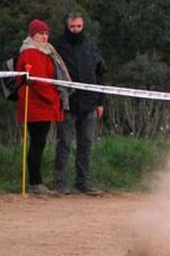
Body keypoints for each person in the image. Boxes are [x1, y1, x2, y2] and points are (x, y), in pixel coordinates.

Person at [50, 13, 105, 196]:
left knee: (86, 143)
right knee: (64, 142)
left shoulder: (90, 45)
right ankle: (60, 183)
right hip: (67, 102)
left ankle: (83, 182)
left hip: (89, 102)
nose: (75, 30)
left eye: (79, 27)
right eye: (72, 27)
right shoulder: (57, 46)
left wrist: (100, 101)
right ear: (67, 26)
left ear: (83, 26)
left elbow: (100, 73)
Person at [15, 19, 70, 195]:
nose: (44, 36)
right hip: (36, 105)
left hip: (42, 106)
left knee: (39, 142)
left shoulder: (46, 52)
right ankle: (35, 182)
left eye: (46, 33)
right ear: (32, 34)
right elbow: (39, 82)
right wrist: (54, 98)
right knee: (37, 143)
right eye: (40, 33)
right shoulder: (31, 52)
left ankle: (36, 182)